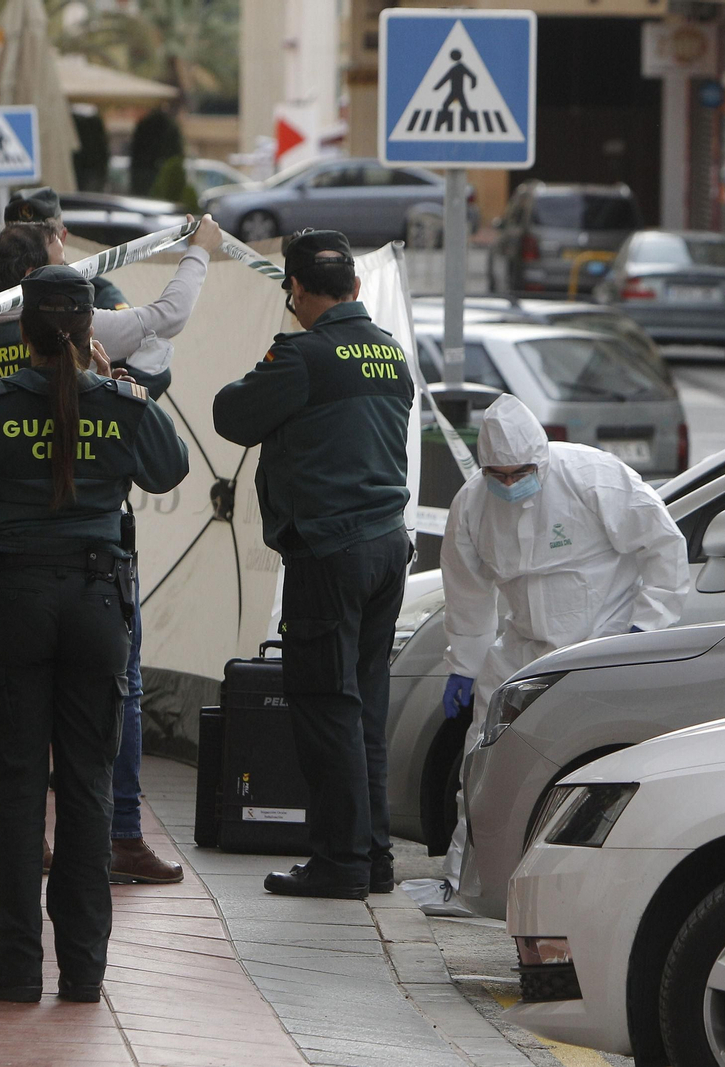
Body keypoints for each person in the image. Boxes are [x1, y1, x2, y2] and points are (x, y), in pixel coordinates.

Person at [0, 265, 190, 1002]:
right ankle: (84, 968)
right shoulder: (122, 404)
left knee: (16, 786)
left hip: (14, 608)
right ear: (89, 330)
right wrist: (117, 383)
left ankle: (16, 961)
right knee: (88, 783)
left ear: (25, 333)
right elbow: (170, 469)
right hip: (98, 608)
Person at [0, 213, 223, 883]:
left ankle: (22, 885)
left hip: (10, 583)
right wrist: (123, 388)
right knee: (97, 738)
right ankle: (113, 848)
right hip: (95, 585)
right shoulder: (105, 375)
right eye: (63, 263)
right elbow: (168, 460)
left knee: (18, 750)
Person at [213, 229, 414, 900]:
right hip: (387, 545)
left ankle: (340, 862)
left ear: (295, 289)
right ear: (354, 286)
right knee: (363, 707)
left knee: (327, 708)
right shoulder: (389, 352)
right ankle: (373, 857)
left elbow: (232, 415)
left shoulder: (302, 355)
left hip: (331, 552)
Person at [438, 393, 689, 902]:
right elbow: (467, 592)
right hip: (521, 649)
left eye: (520, 473)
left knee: (595, 769)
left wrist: (644, 630)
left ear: (541, 457)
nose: (510, 484)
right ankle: (469, 884)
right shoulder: (472, 504)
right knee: (482, 762)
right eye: (498, 475)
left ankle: (594, 890)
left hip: (599, 648)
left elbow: (663, 545)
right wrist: (464, 664)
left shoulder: (594, 478)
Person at [3, 185, 129, 308]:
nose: (27, 246)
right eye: (17, 239)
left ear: (62, 237)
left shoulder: (98, 296)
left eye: (39, 239)